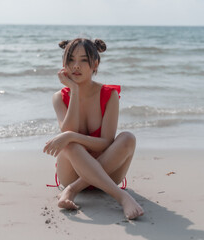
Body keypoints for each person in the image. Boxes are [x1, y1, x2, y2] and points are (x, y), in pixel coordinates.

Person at [43, 38, 144, 220]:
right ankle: (122, 197)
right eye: (71, 60)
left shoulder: (109, 95)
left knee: (128, 137)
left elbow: (105, 143)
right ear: (64, 64)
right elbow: (69, 129)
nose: (76, 66)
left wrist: (71, 136)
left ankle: (73, 190)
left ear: (95, 64)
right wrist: (73, 90)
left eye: (83, 60)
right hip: (72, 173)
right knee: (70, 144)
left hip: (108, 172)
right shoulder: (59, 97)